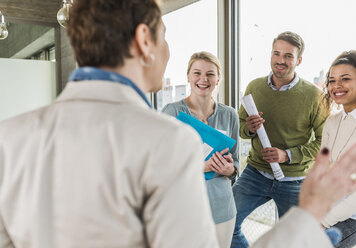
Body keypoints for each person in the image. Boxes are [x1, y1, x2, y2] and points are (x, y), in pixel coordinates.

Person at [0, 0, 219, 247]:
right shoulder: (170, 142)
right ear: (144, 40)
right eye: (164, 36)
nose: (167, 49)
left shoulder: (8, 138)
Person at [232, 31, 328, 247]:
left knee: (295, 241)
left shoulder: (314, 96)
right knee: (226, 223)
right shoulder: (254, 87)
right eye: (277, 53)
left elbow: (324, 142)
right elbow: (240, 128)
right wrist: (250, 127)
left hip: (294, 180)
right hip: (255, 174)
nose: (280, 60)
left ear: (299, 60)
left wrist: (288, 155)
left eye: (288, 56)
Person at [162, 51, 239, 248]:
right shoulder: (172, 112)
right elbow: (163, 166)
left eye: (210, 74)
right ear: (188, 76)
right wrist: (200, 167)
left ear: (218, 79)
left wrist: (230, 170)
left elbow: (236, 162)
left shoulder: (230, 115)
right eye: (197, 73)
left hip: (223, 210)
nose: (203, 79)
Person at [320, 50, 356, 247]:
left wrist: (324, 221)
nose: (336, 86)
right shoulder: (332, 122)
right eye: (332, 80)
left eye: (345, 79)